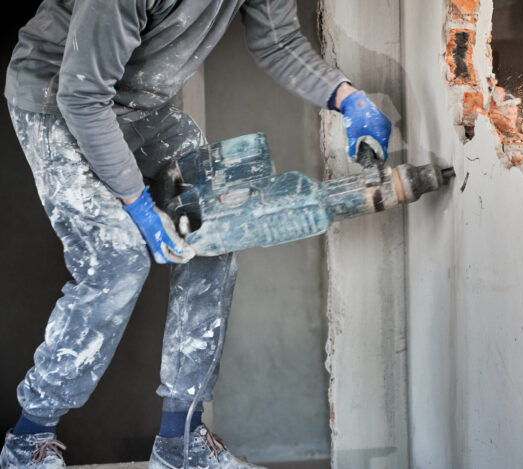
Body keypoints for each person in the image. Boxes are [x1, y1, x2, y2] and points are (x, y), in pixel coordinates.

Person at [0, 1, 392, 468]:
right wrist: (138, 203)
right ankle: (28, 440)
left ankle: (180, 440)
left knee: (212, 233)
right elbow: (82, 96)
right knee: (119, 258)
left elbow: (278, 39)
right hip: (58, 97)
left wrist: (346, 97)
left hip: (139, 105)